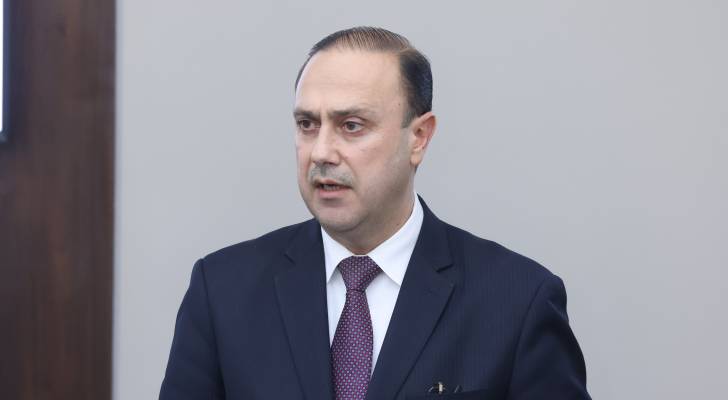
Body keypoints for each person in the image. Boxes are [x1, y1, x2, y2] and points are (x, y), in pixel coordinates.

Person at [159, 26, 591, 400]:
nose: (321, 152)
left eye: (351, 126)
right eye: (308, 124)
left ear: (419, 137)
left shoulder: (517, 301)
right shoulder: (222, 291)